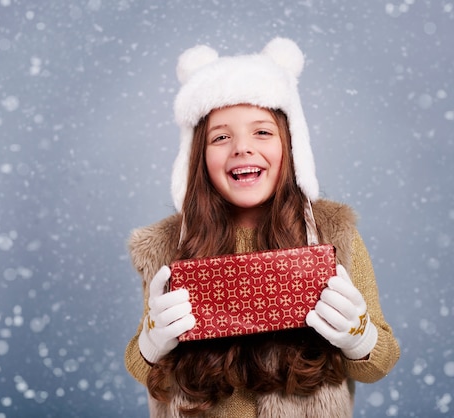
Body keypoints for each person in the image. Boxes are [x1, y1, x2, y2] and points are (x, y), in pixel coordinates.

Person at [124, 37, 400, 417]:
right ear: (197, 158)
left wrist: (360, 336)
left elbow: (379, 362)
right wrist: (151, 345)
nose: (242, 148)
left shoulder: (333, 233)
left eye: (262, 132)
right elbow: (144, 369)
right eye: (221, 137)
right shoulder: (167, 245)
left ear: (291, 146)